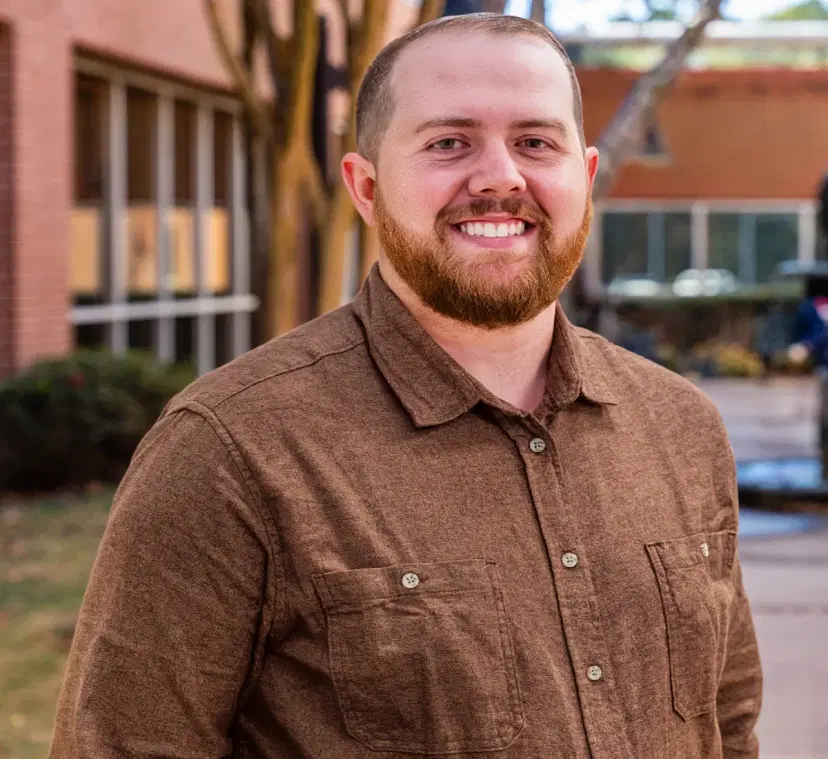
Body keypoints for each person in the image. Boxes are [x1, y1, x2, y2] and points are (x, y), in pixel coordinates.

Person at [49, 13, 762, 759]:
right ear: (366, 186)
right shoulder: (232, 450)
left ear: (581, 179)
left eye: (535, 142)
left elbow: (729, 722)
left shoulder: (681, 426)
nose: (499, 176)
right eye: (449, 142)